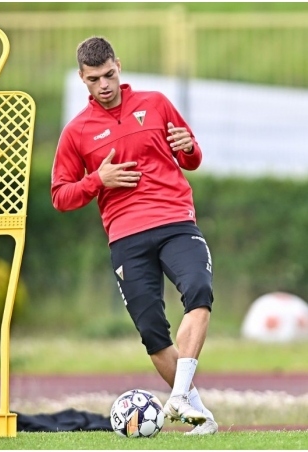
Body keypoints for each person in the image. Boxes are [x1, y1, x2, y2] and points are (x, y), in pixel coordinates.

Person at [51, 36, 218, 435]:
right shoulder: (76, 132)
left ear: (119, 66)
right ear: (82, 78)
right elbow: (60, 196)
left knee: (199, 290)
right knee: (152, 333)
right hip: (126, 237)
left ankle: (178, 396)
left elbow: (191, 157)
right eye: (94, 79)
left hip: (175, 221)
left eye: (109, 75)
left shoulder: (156, 103)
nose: (104, 85)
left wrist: (189, 147)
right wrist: (97, 180)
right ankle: (200, 416)